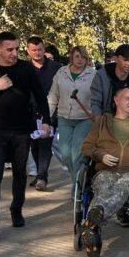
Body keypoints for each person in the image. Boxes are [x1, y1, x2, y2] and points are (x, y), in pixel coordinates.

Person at [0, 31, 52, 239]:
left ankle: (16, 210)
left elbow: (40, 96)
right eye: (9, 49)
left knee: (20, 173)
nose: (14, 53)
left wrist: (46, 122)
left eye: (17, 48)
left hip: (21, 131)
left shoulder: (26, 69)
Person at [79, 87, 129, 257]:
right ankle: (93, 225)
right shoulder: (101, 123)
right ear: (116, 100)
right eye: (128, 99)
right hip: (106, 170)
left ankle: (93, 220)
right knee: (103, 184)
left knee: (123, 185)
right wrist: (100, 155)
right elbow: (87, 147)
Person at [48, 46, 96, 185]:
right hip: (64, 118)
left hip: (84, 119)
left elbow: (97, 97)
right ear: (71, 57)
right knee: (65, 154)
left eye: (83, 57)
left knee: (77, 155)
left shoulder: (93, 75)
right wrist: (47, 116)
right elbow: (53, 96)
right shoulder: (61, 72)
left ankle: (77, 189)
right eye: (77, 57)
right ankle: (79, 179)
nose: (80, 60)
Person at [26, 36, 60, 190]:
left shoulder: (56, 68)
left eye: (40, 49)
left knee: (45, 143)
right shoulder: (24, 68)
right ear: (28, 51)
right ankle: (40, 174)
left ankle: (42, 178)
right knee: (34, 144)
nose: (37, 53)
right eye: (34, 50)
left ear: (44, 49)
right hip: (29, 112)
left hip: (50, 111)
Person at [89, 44, 129, 119]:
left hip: (127, 121)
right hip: (105, 119)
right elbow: (95, 102)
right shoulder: (101, 75)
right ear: (116, 58)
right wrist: (99, 122)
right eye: (125, 60)